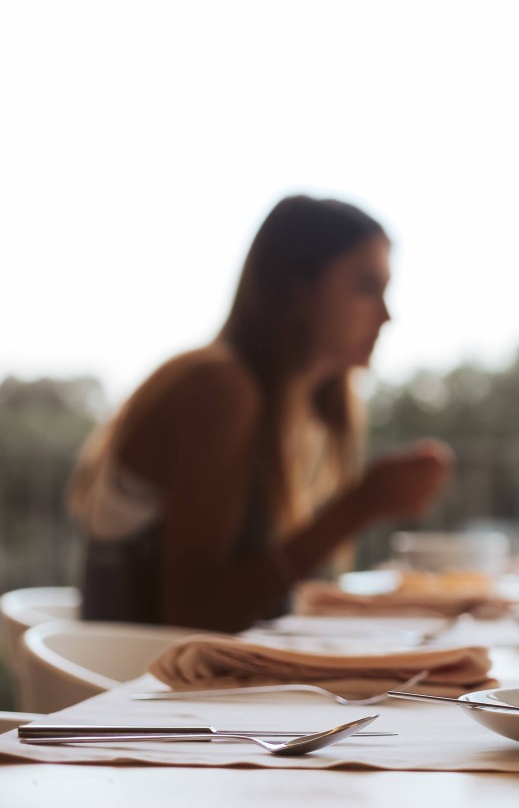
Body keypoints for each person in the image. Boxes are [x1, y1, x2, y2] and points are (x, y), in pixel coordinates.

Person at [68, 195, 453, 632]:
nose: (386, 315)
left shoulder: (294, 409)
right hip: (138, 686)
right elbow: (193, 616)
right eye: (366, 287)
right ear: (297, 289)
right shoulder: (219, 390)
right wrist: (356, 509)